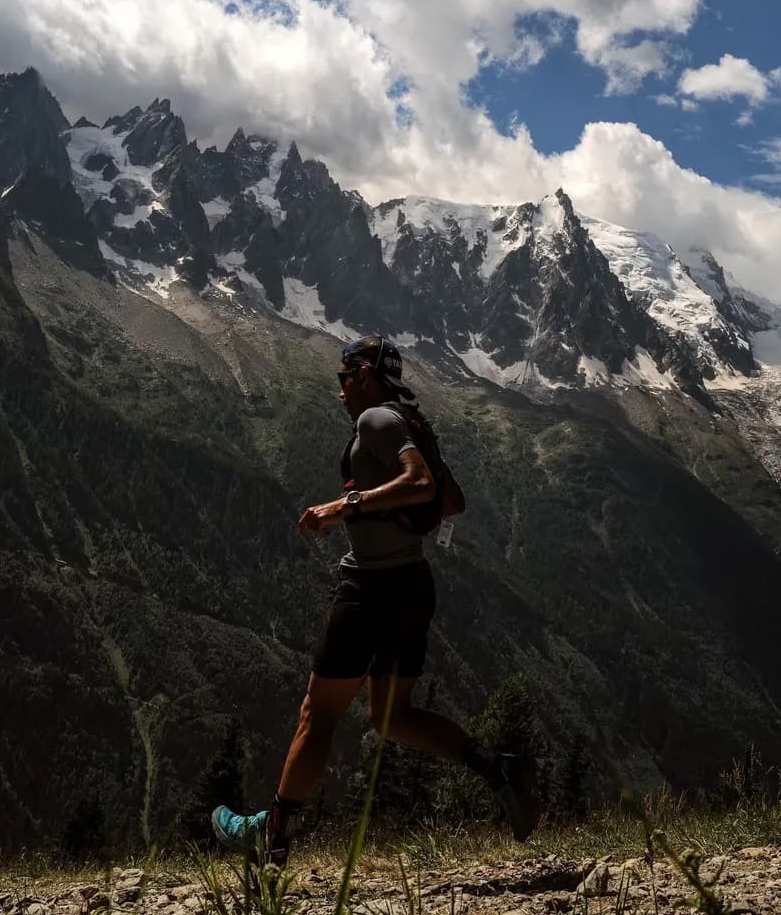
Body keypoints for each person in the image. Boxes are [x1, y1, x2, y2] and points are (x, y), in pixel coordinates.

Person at [210, 335, 539, 864]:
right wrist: (403, 513)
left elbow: (420, 482)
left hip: (370, 588)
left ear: (364, 374)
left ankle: (269, 838)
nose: (339, 391)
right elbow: (450, 500)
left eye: (343, 379)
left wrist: (346, 507)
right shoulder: (411, 423)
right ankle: (496, 769)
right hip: (414, 584)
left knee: (318, 716)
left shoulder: (376, 422)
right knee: (392, 717)